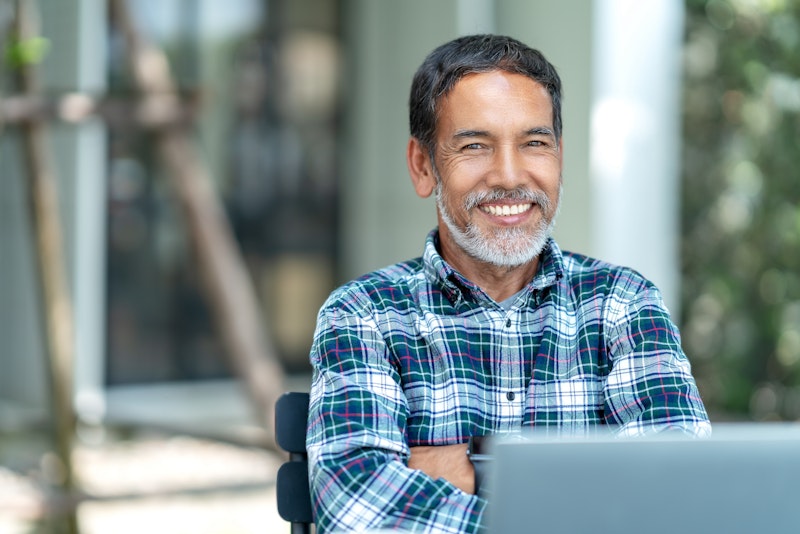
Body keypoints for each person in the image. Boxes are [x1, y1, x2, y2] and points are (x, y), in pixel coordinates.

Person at [305, 34, 710, 533]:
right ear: (423, 165)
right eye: (475, 145)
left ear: (559, 157)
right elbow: (359, 509)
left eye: (534, 143)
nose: (509, 175)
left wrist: (473, 466)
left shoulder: (622, 305)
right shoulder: (363, 314)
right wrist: (581, 500)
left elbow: (679, 497)